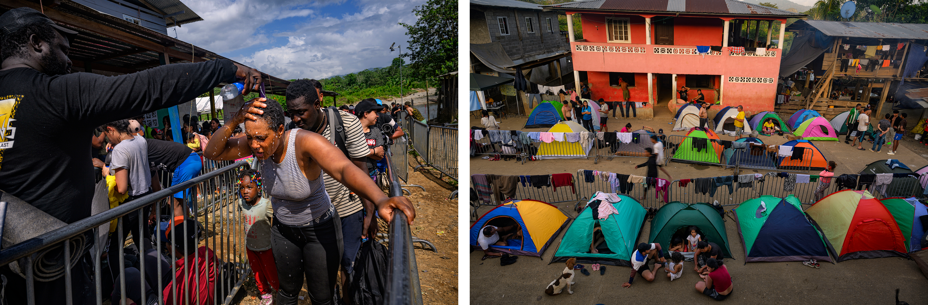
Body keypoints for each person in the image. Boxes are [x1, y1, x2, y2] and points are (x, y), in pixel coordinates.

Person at [204, 95, 415, 305]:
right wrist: (233, 121)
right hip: (284, 229)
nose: (255, 145)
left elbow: (342, 168)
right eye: (250, 137)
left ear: (279, 130)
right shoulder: (255, 145)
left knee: (321, 296)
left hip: (319, 229)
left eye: (261, 138)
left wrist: (380, 199)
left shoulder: (304, 142)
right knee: (286, 292)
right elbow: (212, 152)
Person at [257, 80, 379, 297]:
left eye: (301, 112)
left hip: (346, 208)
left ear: (316, 104)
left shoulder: (345, 123)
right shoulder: (293, 131)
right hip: (315, 217)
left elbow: (358, 169)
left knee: (348, 266)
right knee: (325, 278)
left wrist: (370, 212)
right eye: (291, 113)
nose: (296, 118)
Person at [103, 119, 153, 249]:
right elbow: (136, 126)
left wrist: (106, 174)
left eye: (107, 134)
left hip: (131, 201)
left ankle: (119, 269)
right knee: (142, 239)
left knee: (114, 247)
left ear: (111, 130)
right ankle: (154, 268)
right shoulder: (141, 140)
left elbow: (122, 188)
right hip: (147, 195)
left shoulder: (120, 149)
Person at [238, 169, 278, 304]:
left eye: (249, 187)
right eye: (242, 187)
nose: (245, 191)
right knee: (257, 272)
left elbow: (277, 222)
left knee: (271, 273)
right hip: (251, 247)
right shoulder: (242, 203)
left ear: (259, 187)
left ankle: (281, 291)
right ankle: (265, 293)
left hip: (266, 248)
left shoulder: (267, 205)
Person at [146, 138, 201, 219]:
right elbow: (156, 188)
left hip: (186, 162)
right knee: (180, 202)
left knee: (173, 203)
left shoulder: (141, 148)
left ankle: (182, 230)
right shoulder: (144, 155)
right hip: (192, 159)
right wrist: (154, 211)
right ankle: (188, 228)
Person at [356, 99, 387, 180]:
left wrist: (360, 152)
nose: (377, 116)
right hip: (354, 173)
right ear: (366, 114)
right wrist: (374, 151)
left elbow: (380, 155)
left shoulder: (376, 130)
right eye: (375, 113)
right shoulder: (351, 131)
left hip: (372, 173)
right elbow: (351, 153)